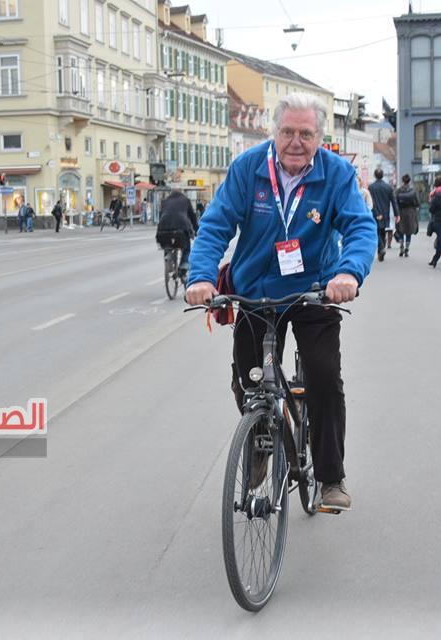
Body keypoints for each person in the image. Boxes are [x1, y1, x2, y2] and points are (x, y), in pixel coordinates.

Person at [185, 93, 377, 512]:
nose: (295, 141)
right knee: (248, 378)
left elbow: (361, 228)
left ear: (319, 137)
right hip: (254, 290)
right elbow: (216, 225)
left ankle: (330, 477)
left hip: (315, 289)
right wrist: (200, 277)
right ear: (274, 132)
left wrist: (348, 274)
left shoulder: (337, 174)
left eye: (305, 133)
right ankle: (260, 442)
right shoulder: (248, 168)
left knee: (325, 377)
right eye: (287, 132)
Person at [155, 190, 198, 278]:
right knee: (187, 249)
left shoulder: (164, 201)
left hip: (162, 230)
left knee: (167, 244)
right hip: (181, 229)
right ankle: (183, 267)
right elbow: (192, 216)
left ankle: (168, 256)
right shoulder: (185, 201)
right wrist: (197, 230)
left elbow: (161, 216)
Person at [368, 168, 400, 263]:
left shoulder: (371, 187)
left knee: (376, 231)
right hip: (385, 212)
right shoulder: (388, 187)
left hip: (374, 212)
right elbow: (393, 201)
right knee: (382, 231)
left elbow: (370, 201)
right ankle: (381, 249)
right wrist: (396, 214)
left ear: (375, 175)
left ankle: (381, 248)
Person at [394, 174, 419, 257]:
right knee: (409, 231)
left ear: (402, 181)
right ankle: (407, 249)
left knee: (400, 230)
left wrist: (396, 213)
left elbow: (395, 202)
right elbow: (417, 202)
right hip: (411, 212)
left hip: (401, 212)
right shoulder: (413, 190)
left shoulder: (398, 190)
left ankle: (401, 246)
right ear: (409, 180)